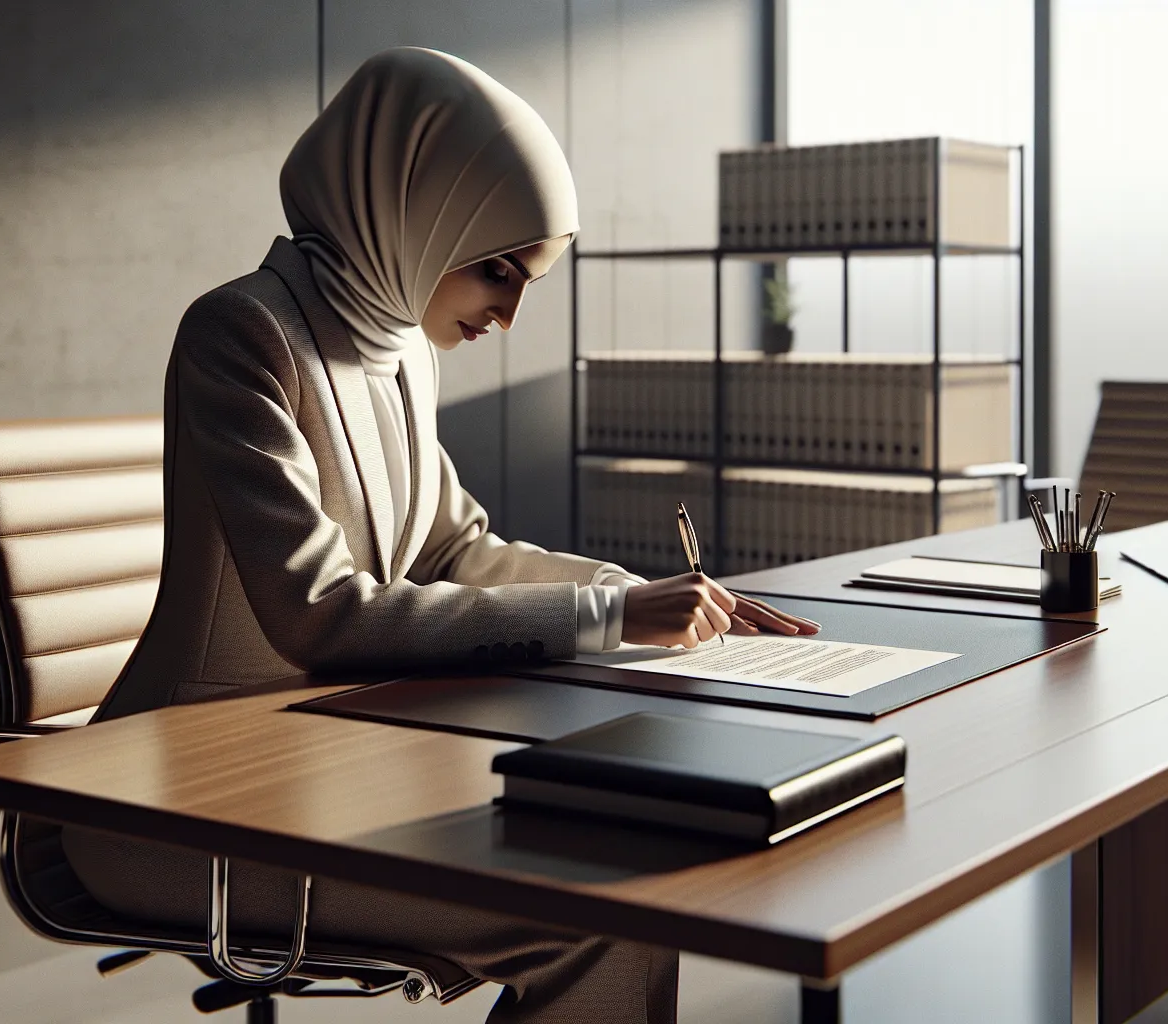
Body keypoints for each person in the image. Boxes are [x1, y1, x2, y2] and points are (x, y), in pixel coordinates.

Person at [66, 47, 816, 1023]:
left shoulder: (395, 347)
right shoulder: (241, 336)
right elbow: (321, 615)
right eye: (497, 270)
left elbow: (452, 548)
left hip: (329, 757)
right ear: (417, 212)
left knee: (634, 871)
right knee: (607, 910)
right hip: (181, 799)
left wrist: (646, 600)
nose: (506, 315)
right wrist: (610, 611)